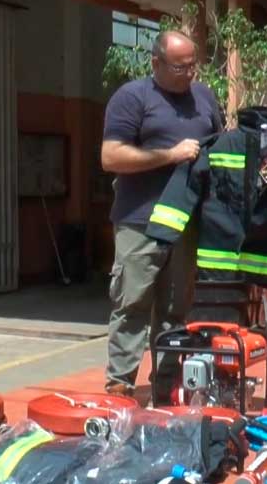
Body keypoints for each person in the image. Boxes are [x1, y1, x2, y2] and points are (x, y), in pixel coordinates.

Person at [101, 31, 223, 397]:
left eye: (192, 65)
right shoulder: (132, 98)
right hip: (141, 221)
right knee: (132, 304)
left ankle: (166, 388)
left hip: (185, 223)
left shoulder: (204, 97)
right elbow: (111, 157)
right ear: (156, 63)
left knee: (175, 311)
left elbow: (219, 146)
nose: (189, 73)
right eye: (179, 66)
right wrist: (169, 155)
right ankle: (119, 388)